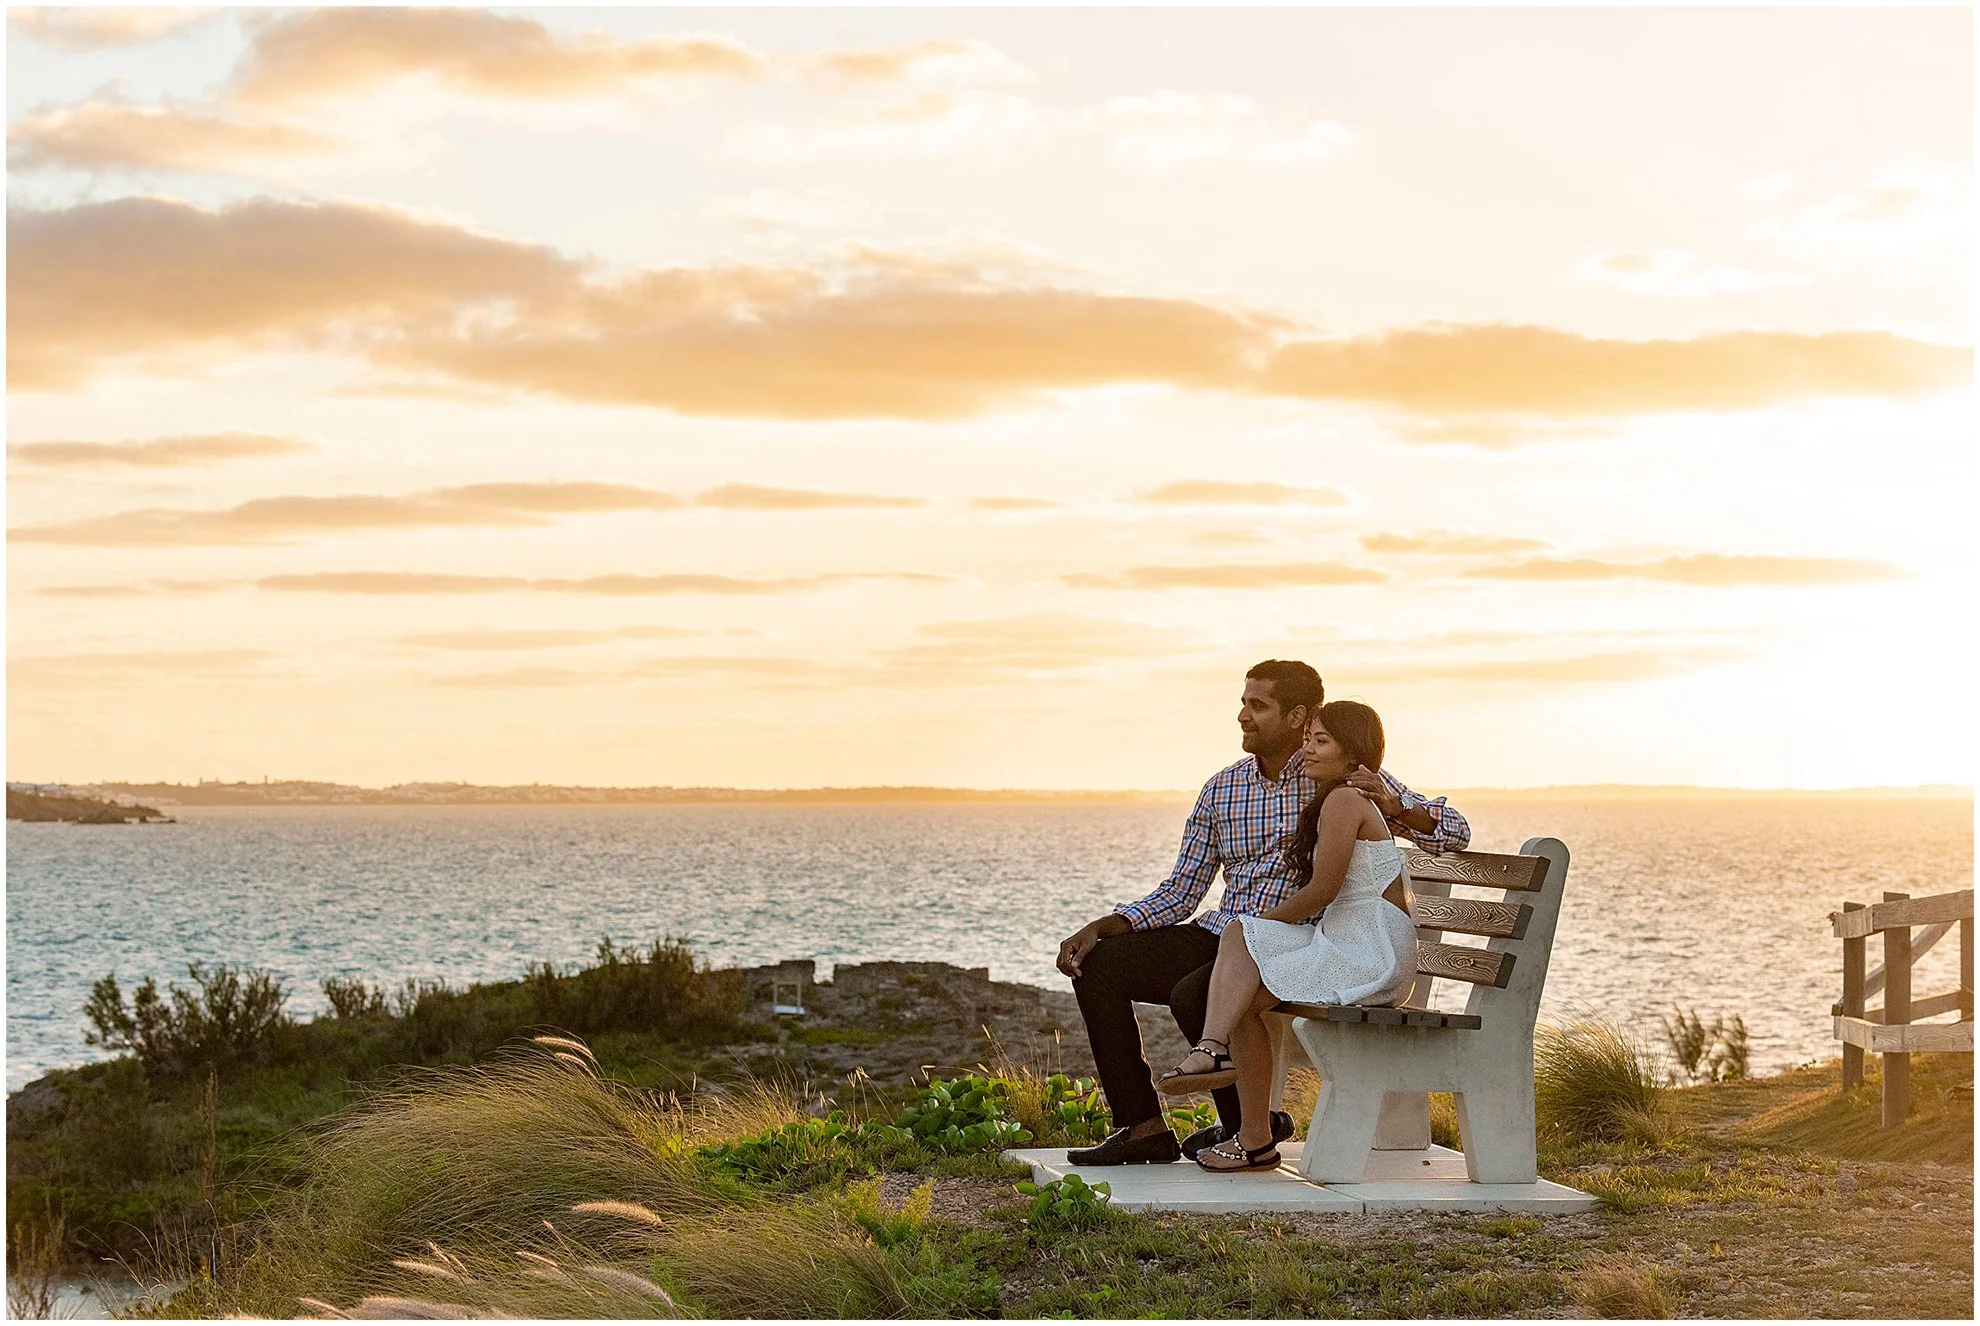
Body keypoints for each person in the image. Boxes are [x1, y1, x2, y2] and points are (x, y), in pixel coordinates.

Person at [1056, 661, 1468, 1166]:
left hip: (1302, 940)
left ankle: (1249, 1131)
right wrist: (1106, 926)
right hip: (1229, 931)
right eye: (1243, 703)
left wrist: (1396, 804)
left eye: (1258, 706)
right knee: (1100, 966)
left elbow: (1453, 832)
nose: (1242, 716)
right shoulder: (1222, 788)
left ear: (1298, 716)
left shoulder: (1337, 773)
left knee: (1197, 993)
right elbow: (1182, 892)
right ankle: (1142, 1127)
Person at [1156, 700, 1413, 1172]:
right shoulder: (1338, 798)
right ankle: (1249, 1128)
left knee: (1244, 943)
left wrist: (1264, 923)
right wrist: (1256, 929)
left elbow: (1323, 889)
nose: (1308, 749)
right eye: (1308, 739)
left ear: (1352, 753)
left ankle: (1218, 1067)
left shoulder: (1345, 800)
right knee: (1239, 972)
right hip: (1348, 938)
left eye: (1321, 741)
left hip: (1368, 952)